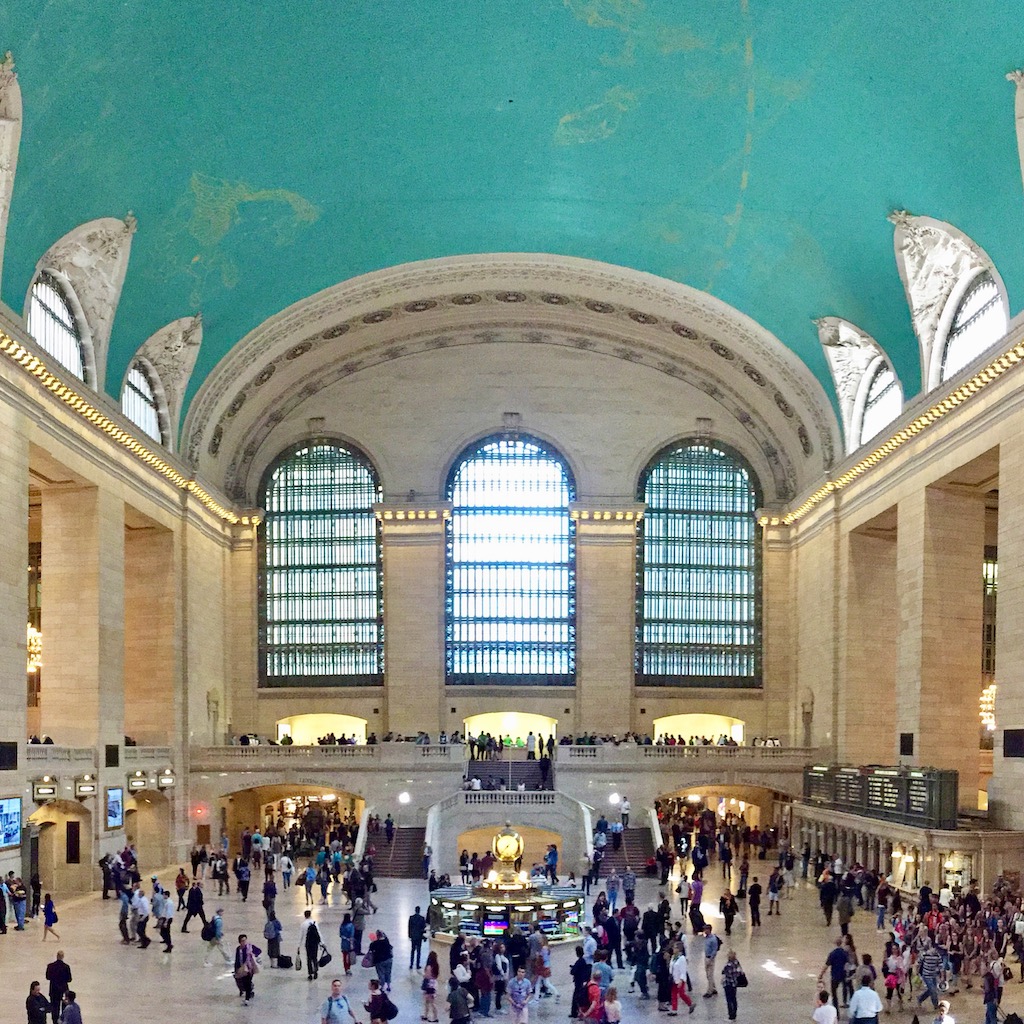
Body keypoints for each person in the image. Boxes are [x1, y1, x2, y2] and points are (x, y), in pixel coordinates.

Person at [233, 932, 261, 1006]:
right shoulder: (238, 949)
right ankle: (249, 991)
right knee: (244, 982)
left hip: (250, 968)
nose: (244, 942)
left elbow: (259, 951)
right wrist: (236, 968)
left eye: (245, 940)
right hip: (242, 968)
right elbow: (237, 959)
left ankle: (247, 999)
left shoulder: (250, 947)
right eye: (242, 941)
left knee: (247, 982)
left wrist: (253, 955)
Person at [45, 950, 71, 1024]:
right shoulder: (66, 967)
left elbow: (48, 977)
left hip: (54, 990)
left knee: (55, 1010)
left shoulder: (50, 966)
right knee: (64, 1010)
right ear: (63, 957)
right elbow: (69, 979)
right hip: (64, 991)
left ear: (57, 956)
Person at [720, 949, 745, 1022]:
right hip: (735, 984)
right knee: (734, 999)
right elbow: (740, 972)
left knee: (729, 1000)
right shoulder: (736, 962)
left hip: (728, 984)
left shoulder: (728, 965)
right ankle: (734, 1014)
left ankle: (731, 1016)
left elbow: (724, 972)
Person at [301, 908, 324, 981]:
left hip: (307, 943)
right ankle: (316, 971)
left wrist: (299, 946)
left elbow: (301, 935)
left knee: (309, 958)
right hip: (315, 943)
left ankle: (310, 973)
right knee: (314, 957)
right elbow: (318, 933)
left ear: (305, 916)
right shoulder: (315, 922)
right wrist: (322, 942)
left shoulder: (303, 924)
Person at [702, 924, 720, 997]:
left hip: (710, 958)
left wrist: (711, 959)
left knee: (710, 975)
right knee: (708, 974)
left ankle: (709, 991)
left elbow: (714, 950)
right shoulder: (706, 938)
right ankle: (713, 988)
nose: (704, 931)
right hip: (706, 957)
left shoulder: (713, 939)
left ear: (709, 930)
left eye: (706, 929)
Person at [422, 949, 440, 1022]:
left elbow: (427, 976)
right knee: (428, 1001)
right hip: (434, 984)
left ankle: (435, 1017)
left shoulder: (429, 967)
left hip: (429, 985)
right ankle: (426, 1015)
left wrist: (423, 975)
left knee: (431, 1002)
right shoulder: (436, 966)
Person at [408, 904, 427, 969]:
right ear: (419, 911)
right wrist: (424, 937)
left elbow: (409, 927)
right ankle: (417, 965)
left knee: (412, 950)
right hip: (419, 937)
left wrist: (409, 935)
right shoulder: (422, 918)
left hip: (413, 936)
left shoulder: (411, 918)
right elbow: (423, 929)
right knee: (419, 951)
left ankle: (411, 964)